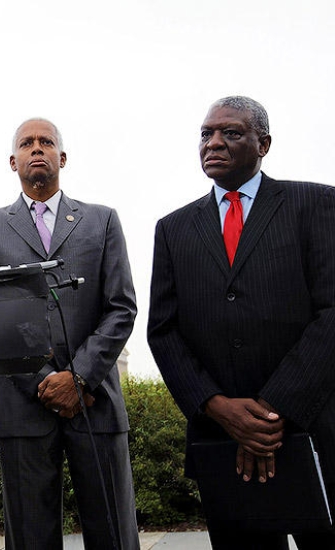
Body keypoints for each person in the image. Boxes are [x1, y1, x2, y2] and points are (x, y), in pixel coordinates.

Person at [147, 96, 335, 549]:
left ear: (263, 143)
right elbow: (163, 331)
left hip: (312, 434)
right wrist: (219, 408)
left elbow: (331, 313)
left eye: (231, 133)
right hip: (221, 445)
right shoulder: (173, 229)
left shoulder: (317, 203)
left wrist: (272, 412)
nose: (214, 142)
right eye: (206, 134)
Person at [0, 118, 140, 550]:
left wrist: (79, 377)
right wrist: (45, 380)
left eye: (46, 142)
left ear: (62, 158)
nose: (37, 148)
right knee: (30, 536)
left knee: (114, 533)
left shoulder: (101, 220)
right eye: (26, 143)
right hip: (25, 407)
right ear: (13, 161)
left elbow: (121, 307)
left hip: (96, 400)